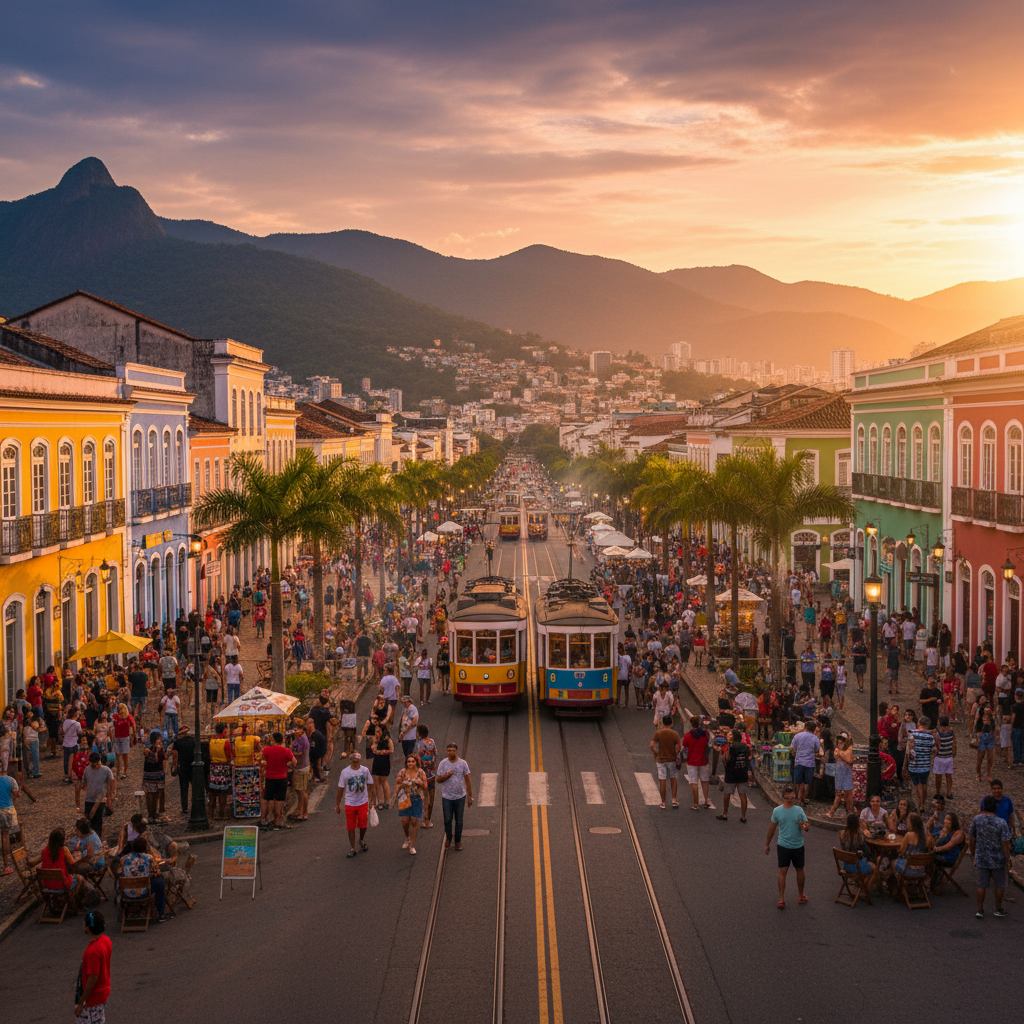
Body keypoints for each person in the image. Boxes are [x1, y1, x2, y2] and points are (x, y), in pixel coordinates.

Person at [764, 785, 810, 908]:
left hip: (783, 845)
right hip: (797, 845)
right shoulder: (798, 810)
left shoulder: (777, 811)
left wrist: (767, 844)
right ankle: (801, 895)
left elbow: (772, 828)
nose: (791, 799)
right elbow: (806, 825)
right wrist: (805, 827)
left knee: (783, 871)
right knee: (799, 870)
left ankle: (781, 899)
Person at [968, 795, 1012, 918]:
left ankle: (979, 909)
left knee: (981, 884)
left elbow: (971, 838)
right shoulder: (1001, 822)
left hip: (982, 857)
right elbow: (1005, 843)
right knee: (999, 884)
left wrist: (973, 854)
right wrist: (1007, 859)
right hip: (998, 859)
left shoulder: (977, 820)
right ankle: (998, 908)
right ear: (996, 806)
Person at [76, 909, 112, 1022]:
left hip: (93, 998)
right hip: (103, 991)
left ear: (87, 927)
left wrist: (81, 1002)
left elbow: (92, 977)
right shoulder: (106, 940)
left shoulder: (92, 951)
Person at [335, 750, 374, 856]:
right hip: (350, 803)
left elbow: (371, 784)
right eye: (354, 759)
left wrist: (371, 800)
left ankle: (361, 839)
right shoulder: (345, 772)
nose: (355, 761)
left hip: (363, 802)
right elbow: (340, 789)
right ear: (351, 760)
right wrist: (337, 804)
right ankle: (353, 848)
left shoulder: (365, 770)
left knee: (363, 825)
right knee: (350, 827)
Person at [436, 742, 473, 851]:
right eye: (449, 751)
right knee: (447, 819)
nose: (451, 752)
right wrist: (447, 775)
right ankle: (448, 837)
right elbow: (438, 779)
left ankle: (457, 841)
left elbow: (468, 780)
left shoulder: (463, 763)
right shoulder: (443, 764)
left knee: (459, 820)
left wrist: (470, 796)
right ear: (446, 751)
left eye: (452, 750)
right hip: (447, 797)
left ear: (456, 751)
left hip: (460, 796)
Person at [259, 731, 296, 831]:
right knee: (280, 799)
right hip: (282, 777)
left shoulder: (266, 750)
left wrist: (265, 765)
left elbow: (260, 759)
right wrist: (289, 767)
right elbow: (294, 761)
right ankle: (277, 821)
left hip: (270, 777)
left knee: (269, 797)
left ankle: (268, 817)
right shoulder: (286, 751)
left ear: (273, 740)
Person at [395, 754, 428, 855]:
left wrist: (417, 782)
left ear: (416, 763)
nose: (410, 763)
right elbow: (397, 784)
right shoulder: (402, 772)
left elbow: (425, 786)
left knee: (414, 821)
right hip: (404, 798)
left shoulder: (420, 772)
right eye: (409, 761)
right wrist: (403, 784)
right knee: (405, 821)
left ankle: (412, 846)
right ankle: (407, 837)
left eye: (413, 761)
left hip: (416, 798)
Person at [717, 728, 750, 823]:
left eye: (730, 735)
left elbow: (727, 760)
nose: (728, 736)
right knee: (742, 795)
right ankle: (743, 817)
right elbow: (747, 758)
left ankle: (725, 814)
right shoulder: (746, 747)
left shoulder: (730, 748)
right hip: (743, 773)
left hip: (731, 774)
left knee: (727, 794)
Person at [839, 813, 877, 893]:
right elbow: (867, 851)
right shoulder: (859, 836)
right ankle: (866, 889)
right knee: (874, 868)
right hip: (856, 866)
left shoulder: (842, 834)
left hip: (846, 865)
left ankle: (861, 884)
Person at [905, 716, 936, 813]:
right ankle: (922, 804)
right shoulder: (930, 737)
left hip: (914, 765)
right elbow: (932, 750)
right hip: (925, 764)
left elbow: (908, 752)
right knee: (924, 784)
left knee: (917, 785)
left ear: (919, 723)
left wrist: (905, 766)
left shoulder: (912, 735)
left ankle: (920, 804)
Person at [82, 750, 115, 839]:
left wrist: (109, 799)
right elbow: (84, 784)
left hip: (100, 801)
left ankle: (98, 841)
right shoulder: (87, 770)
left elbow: (110, 785)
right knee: (89, 823)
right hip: (89, 800)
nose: (95, 766)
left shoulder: (106, 770)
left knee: (97, 824)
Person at [650, 715, 680, 809]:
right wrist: (676, 755)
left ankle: (663, 802)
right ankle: (674, 799)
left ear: (663, 723)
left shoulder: (658, 733)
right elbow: (678, 747)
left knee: (662, 780)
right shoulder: (675, 734)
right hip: (671, 759)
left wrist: (656, 753)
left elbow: (651, 745)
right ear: (671, 723)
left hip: (661, 760)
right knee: (673, 778)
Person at [170, 725, 201, 816]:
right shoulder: (193, 741)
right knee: (195, 787)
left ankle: (185, 808)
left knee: (184, 789)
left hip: (182, 768)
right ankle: (196, 805)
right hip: (193, 767)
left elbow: (175, 756)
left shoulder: (177, 743)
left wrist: (174, 768)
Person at [681, 716, 711, 810]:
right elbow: (709, 743)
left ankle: (695, 804)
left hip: (692, 761)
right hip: (704, 760)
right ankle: (706, 801)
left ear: (691, 724)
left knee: (693, 782)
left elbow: (683, 747)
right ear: (699, 723)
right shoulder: (705, 734)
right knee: (704, 781)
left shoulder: (688, 735)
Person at [207, 722, 233, 819]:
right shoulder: (226, 742)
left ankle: (211, 812)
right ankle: (221, 813)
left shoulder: (211, 741)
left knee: (213, 791)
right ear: (224, 730)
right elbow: (228, 756)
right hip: (223, 767)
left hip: (213, 767)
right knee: (223, 792)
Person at [826, 732, 855, 819]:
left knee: (848, 795)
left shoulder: (849, 749)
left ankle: (845, 812)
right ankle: (833, 812)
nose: (840, 744)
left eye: (842, 742)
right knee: (838, 794)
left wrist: (841, 754)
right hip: (839, 774)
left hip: (846, 775)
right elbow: (837, 756)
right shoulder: (838, 750)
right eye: (839, 742)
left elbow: (850, 760)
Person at [790, 725, 821, 807]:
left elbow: (792, 748)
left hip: (799, 762)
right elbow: (818, 750)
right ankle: (804, 797)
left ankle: (798, 799)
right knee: (806, 783)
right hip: (810, 763)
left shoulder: (797, 736)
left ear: (805, 728)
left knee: (798, 782)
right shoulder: (815, 738)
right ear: (814, 730)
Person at [415, 724, 437, 829]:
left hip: (423, 774)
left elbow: (417, 759)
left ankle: (423, 820)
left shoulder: (419, 744)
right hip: (432, 773)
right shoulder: (432, 742)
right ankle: (428, 820)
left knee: (423, 797)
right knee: (431, 797)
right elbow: (435, 755)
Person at [142, 731, 168, 822]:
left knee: (159, 794)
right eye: (158, 739)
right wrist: (157, 750)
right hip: (150, 776)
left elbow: (164, 758)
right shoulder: (148, 749)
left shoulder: (161, 748)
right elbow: (154, 759)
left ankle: (160, 813)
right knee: (151, 795)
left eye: (160, 739)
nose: (160, 741)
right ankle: (151, 815)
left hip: (159, 775)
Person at [290, 723, 311, 821]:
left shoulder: (300, 739)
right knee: (300, 791)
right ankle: (301, 811)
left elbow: (298, 753)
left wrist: (290, 753)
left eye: (296, 730)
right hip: (302, 767)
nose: (294, 733)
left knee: (302, 791)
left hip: (301, 768)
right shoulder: (301, 737)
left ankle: (302, 813)